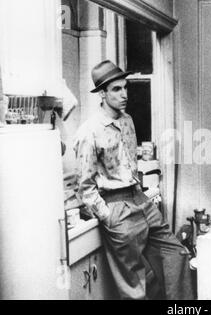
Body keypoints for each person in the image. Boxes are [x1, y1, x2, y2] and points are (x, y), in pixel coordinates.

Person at [73, 60, 194, 300]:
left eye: (125, 87)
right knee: (134, 284)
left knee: (176, 255)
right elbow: (85, 186)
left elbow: (129, 162)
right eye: (116, 89)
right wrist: (107, 215)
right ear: (103, 93)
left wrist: (141, 193)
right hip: (117, 207)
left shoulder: (127, 120)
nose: (124, 94)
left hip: (140, 200)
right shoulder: (90, 131)